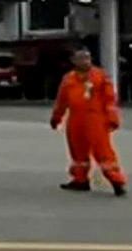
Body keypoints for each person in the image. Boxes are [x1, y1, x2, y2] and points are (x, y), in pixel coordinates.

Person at [51, 46, 127, 196]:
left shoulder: (100, 77)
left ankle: (116, 181)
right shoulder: (69, 79)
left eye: (87, 57)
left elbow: (110, 99)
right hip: (76, 119)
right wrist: (56, 117)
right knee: (77, 151)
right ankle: (80, 180)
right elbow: (62, 101)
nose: (85, 61)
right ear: (73, 61)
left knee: (103, 151)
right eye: (81, 58)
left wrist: (112, 118)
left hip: (96, 119)